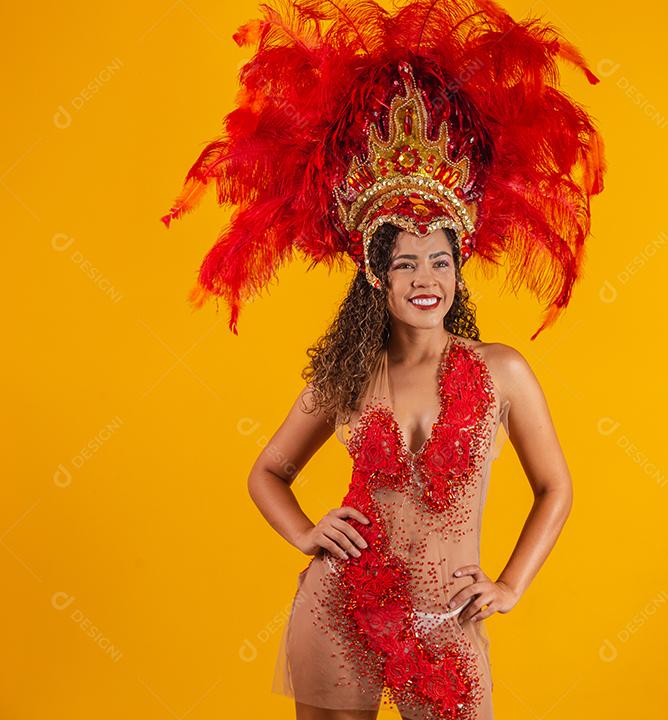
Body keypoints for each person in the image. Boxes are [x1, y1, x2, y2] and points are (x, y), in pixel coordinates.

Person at [161, 2, 605, 718]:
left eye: (440, 261)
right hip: (340, 610)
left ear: (459, 269)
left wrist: (511, 584)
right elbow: (267, 472)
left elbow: (555, 488)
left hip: (445, 620)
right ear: (376, 275)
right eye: (406, 265)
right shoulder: (345, 372)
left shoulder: (504, 371)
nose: (425, 279)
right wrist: (307, 532)